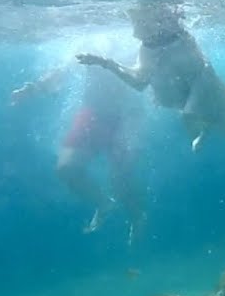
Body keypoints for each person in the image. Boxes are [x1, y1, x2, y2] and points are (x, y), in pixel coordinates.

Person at [76, 2, 225, 182]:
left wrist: (190, 111)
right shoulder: (146, 49)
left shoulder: (184, 41)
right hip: (188, 102)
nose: (135, 33)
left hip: (219, 101)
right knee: (194, 117)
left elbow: (204, 76)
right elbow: (139, 82)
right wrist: (104, 63)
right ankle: (204, 130)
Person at [11, 52, 147, 243]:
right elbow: (62, 71)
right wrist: (33, 89)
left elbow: (145, 76)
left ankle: (137, 218)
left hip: (127, 115)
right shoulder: (91, 41)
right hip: (92, 114)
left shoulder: (131, 43)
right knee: (66, 169)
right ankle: (104, 203)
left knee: (120, 177)